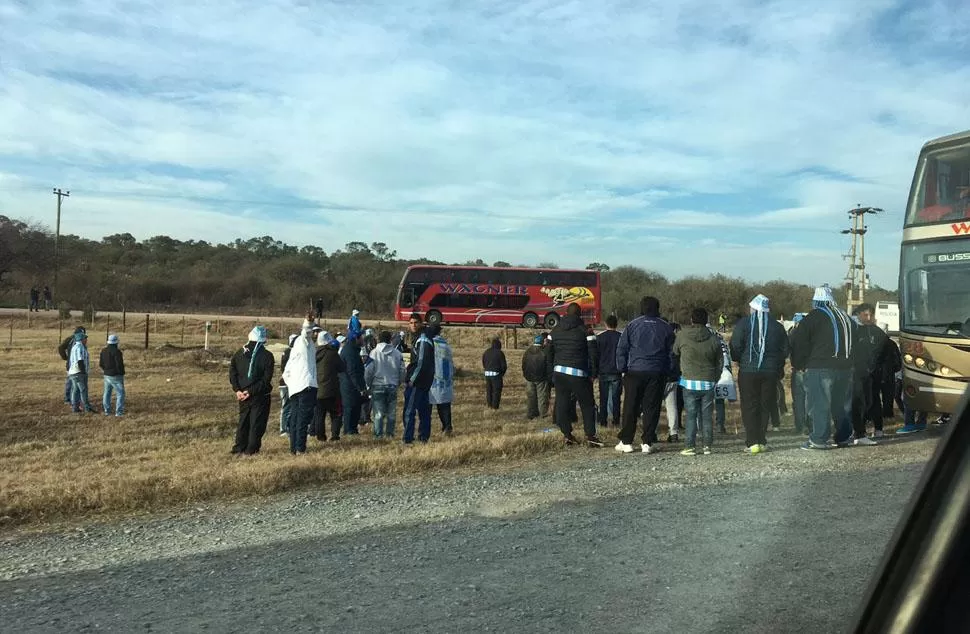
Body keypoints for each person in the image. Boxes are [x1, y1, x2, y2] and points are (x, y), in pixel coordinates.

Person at [790, 284, 856, 450]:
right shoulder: (846, 318)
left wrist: (799, 365)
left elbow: (800, 344)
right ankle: (844, 436)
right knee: (839, 405)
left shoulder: (813, 318)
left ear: (816, 301)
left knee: (820, 403)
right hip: (845, 368)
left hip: (820, 367)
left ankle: (819, 439)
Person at [729, 294, 789, 454]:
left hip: (748, 371)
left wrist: (737, 359)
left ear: (753, 308)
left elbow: (735, 344)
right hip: (770, 372)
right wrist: (777, 365)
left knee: (749, 406)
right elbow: (784, 349)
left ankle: (752, 441)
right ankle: (762, 440)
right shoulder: (777, 326)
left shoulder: (744, 324)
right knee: (765, 405)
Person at [615, 296, 675, 454]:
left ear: (641, 308)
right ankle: (647, 442)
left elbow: (622, 349)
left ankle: (627, 441)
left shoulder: (632, 325)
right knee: (651, 407)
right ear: (658, 308)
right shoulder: (666, 327)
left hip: (634, 371)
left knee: (630, 406)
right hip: (657, 371)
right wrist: (669, 371)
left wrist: (622, 368)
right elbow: (671, 353)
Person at [546, 303, 603, 447]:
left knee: (562, 403)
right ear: (580, 315)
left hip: (559, 372)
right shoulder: (586, 331)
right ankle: (591, 436)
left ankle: (567, 434)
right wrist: (594, 373)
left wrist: (551, 372)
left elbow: (548, 353)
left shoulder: (555, 330)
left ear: (566, 312)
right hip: (579, 372)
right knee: (587, 404)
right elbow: (593, 354)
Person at [673, 308, 722, 455]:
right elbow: (720, 361)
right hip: (708, 381)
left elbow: (675, 352)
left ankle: (690, 446)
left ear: (691, 320)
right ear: (707, 321)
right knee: (706, 415)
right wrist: (715, 378)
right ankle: (707, 446)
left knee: (691, 415)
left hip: (689, 381)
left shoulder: (682, 336)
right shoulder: (714, 338)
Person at [229, 325, 275, 455]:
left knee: (243, 421)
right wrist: (250, 391)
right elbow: (266, 380)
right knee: (257, 422)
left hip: (242, 394)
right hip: (259, 395)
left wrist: (237, 390)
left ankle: (239, 446)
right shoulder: (267, 356)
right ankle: (251, 449)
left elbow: (233, 373)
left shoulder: (239, 353)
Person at [849, 303, 888, 443]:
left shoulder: (878, 332)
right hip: (858, 373)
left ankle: (877, 429)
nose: (868, 317)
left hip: (874, 374)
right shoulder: (854, 331)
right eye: (865, 315)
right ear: (859, 315)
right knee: (859, 401)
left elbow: (884, 353)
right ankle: (858, 432)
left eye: (871, 315)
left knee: (874, 401)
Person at [281, 316, 317, 455]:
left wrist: (293, 385)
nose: (313, 336)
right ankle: (300, 448)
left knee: (295, 420)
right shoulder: (304, 343)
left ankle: (293, 449)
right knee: (303, 420)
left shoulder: (293, 355)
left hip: (295, 389)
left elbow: (286, 374)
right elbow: (306, 332)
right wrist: (309, 322)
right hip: (306, 387)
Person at [365, 330, 404, 439]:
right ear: (390, 339)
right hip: (392, 385)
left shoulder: (374, 353)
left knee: (378, 413)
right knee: (391, 412)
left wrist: (368, 384)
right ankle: (390, 434)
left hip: (377, 385)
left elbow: (369, 370)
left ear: (378, 340)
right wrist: (399, 382)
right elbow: (402, 370)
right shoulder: (397, 353)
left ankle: (378, 435)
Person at [403, 318, 435, 444]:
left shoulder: (422, 339)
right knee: (424, 411)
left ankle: (408, 438)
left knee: (410, 411)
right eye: (411, 323)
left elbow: (421, 362)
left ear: (421, 323)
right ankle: (423, 437)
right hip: (426, 381)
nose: (413, 325)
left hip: (418, 382)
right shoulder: (423, 337)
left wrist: (412, 379)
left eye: (416, 322)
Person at [315, 331, 344, 441]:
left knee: (319, 414)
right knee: (336, 413)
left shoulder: (314, 353)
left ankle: (320, 436)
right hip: (332, 389)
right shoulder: (332, 353)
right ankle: (335, 435)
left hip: (317, 388)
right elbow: (342, 368)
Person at [339, 330, 368, 437]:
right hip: (349, 386)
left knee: (355, 408)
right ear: (356, 338)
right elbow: (352, 372)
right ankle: (348, 431)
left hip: (352, 386)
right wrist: (360, 388)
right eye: (361, 337)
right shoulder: (350, 352)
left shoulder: (353, 350)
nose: (363, 339)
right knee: (350, 409)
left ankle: (353, 429)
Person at [428, 324, 455, 434]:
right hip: (446, 379)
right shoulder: (445, 344)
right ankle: (447, 427)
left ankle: (426, 429)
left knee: (428, 407)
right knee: (444, 406)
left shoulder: (430, 343)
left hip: (433, 379)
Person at [596, 315, 623, 428]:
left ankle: (603, 421)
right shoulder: (621, 337)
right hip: (616, 371)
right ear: (616, 324)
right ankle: (616, 420)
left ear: (605, 324)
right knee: (616, 398)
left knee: (603, 398)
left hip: (603, 371)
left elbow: (596, 355)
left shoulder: (600, 338)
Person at [663, 322, 684, 442]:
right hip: (674, 377)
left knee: (653, 406)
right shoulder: (677, 343)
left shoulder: (659, 340)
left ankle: (652, 432)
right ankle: (674, 433)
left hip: (659, 377)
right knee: (672, 407)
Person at [522, 333, 551, 420]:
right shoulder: (544, 352)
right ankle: (543, 414)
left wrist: (525, 374)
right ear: (542, 342)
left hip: (529, 377)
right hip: (541, 378)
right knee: (542, 396)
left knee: (531, 396)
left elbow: (523, 364)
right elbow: (547, 365)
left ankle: (531, 413)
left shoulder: (527, 351)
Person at [67, 331, 96, 413]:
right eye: (85, 338)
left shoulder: (75, 347)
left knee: (75, 390)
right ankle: (87, 408)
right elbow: (80, 361)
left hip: (73, 372)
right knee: (83, 390)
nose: (86, 340)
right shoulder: (80, 347)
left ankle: (75, 408)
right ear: (81, 339)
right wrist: (83, 372)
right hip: (79, 372)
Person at [99, 333, 126, 416]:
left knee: (107, 393)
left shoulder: (103, 351)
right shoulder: (117, 352)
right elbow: (119, 364)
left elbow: (101, 363)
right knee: (120, 393)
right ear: (116, 342)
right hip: (116, 375)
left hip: (106, 374)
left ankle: (107, 411)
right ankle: (119, 412)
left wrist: (106, 370)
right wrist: (121, 372)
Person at [59, 326, 86, 407]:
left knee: (74, 384)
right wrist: (65, 357)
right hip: (71, 365)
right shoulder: (70, 339)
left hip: (76, 364)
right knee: (71, 383)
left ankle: (74, 400)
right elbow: (60, 347)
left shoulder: (81, 340)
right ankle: (68, 399)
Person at [278, 334, 298, 437]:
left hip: (291, 383)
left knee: (291, 406)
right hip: (286, 384)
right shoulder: (289, 352)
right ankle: (283, 429)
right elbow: (285, 369)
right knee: (286, 406)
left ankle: (289, 427)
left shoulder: (289, 352)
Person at [880, 336, 902, 420]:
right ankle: (888, 414)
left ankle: (873, 416)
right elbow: (897, 360)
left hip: (875, 373)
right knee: (888, 396)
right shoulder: (892, 344)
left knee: (874, 397)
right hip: (889, 373)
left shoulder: (872, 342)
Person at [482, 338, 507, 410]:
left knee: (489, 391)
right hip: (496, 374)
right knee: (496, 391)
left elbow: (483, 362)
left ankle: (489, 405)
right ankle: (495, 407)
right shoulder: (500, 353)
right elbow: (503, 366)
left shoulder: (486, 352)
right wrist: (502, 374)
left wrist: (486, 369)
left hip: (487, 374)